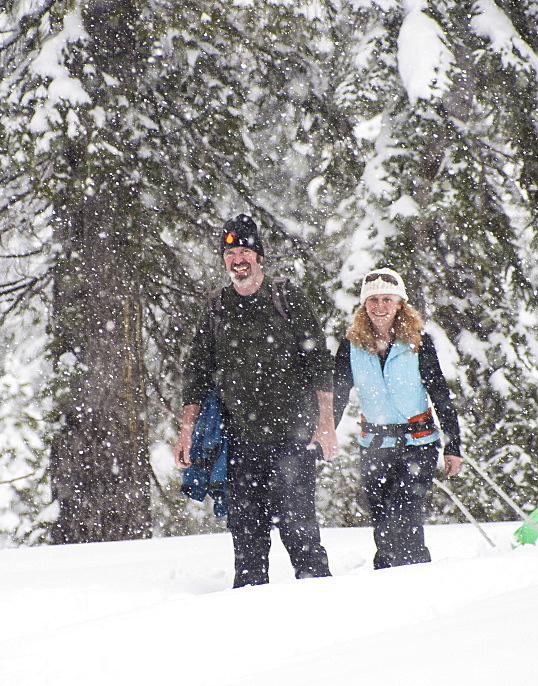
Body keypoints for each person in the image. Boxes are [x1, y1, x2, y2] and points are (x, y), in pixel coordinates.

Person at [174, 214, 336, 588]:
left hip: (292, 438)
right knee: (247, 539)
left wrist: (325, 423)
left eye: (245, 250)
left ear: (259, 257)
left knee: (300, 533)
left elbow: (318, 360)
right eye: (230, 253)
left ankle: (325, 611)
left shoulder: (285, 297)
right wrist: (186, 433)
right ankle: (248, 620)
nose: (238, 259)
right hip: (241, 442)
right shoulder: (217, 306)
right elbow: (196, 372)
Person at [333, 267, 463, 570]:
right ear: (364, 306)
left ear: (400, 303)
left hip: (418, 442)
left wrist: (453, 445)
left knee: (405, 513)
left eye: (387, 300)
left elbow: (440, 393)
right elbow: (337, 397)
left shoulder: (418, 342)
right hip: (375, 444)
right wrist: (324, 434)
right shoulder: (351, 346)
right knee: (381, 518)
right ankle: (388, 575)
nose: (380, 306)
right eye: (373, 300)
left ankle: (416, 573)